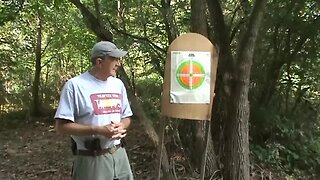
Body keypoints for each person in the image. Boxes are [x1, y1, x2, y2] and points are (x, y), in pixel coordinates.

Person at [54, 41, 134, 180]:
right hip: (92, 158)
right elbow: (61, 127)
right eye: (114, 59)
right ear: (99, 62)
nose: (118, 63)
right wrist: (98, 130)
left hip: (120, 155)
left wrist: (122, 125)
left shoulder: (118, 84)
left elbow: (126, 117)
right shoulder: (75, 86)